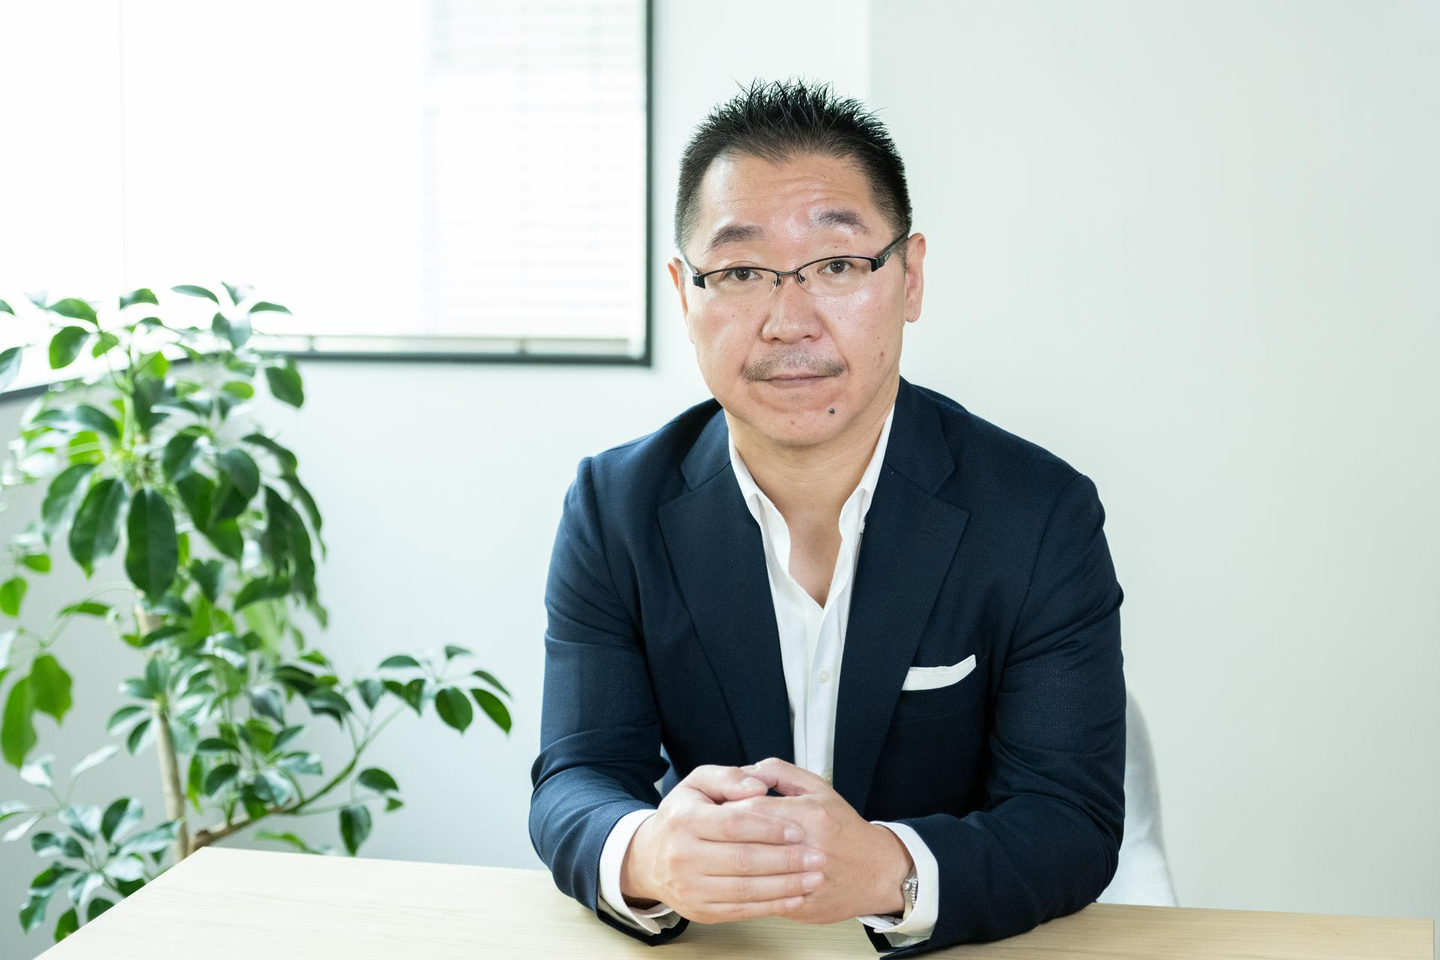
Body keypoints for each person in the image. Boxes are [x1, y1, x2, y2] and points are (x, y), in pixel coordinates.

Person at [529, 78, 1126, 957]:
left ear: (910, 277)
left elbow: (1070, 819)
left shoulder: (1039, 516)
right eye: (740, 272)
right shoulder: (614, 508)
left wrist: (889, 869)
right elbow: (576, 777)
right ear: (684, 293)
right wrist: (650, 853)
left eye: (838, 266)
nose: (789, 321)